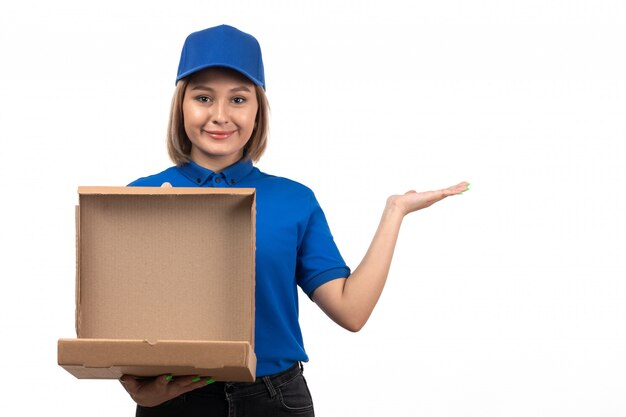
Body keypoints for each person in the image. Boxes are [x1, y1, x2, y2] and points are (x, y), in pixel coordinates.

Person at [119, 24, 469, 417]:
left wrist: (394, 212)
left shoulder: (294, 200)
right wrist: (138, 389)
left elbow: (350, 312)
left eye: (238, 99)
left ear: (258, 110)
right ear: (182, 105)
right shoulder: (141, 196)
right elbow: (120, 316)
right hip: (176, 401)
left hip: (274, 400)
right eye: (203, 98)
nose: (220, 115)